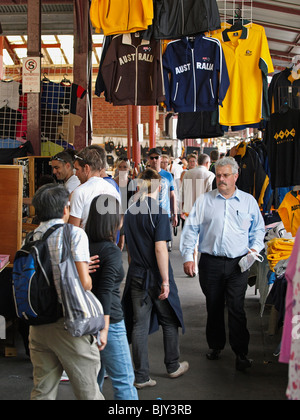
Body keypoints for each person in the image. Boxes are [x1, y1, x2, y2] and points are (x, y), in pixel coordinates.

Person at [180, 157, 265, 371]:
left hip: (239, 264)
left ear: (236, 176)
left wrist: (254, 251)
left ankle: (241, 353)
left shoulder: (248, 202)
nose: (221, 179)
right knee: (214, 306)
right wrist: (188, 256)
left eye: (226, 175)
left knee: (237, 308)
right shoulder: (205, 201)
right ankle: (216, 346)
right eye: (218, 175)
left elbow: (258, 231)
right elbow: (191, 230)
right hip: (211, 263)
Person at [29, 184, 104, 400]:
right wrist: (85, 273)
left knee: (42, 391)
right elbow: (85, 283)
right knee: (88, 392)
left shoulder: (32, 237)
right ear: (64, 209)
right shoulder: (73, 233)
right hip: (69, 325)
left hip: (38, 326)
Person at [122, 169, 188, 389]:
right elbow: (161, 249)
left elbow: (129, 249)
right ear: (159, 187)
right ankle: (173, 366)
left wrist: (135, 271)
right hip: (156, 275)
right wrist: (166, 280)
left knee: (139, 325)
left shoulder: (130, 212)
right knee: (169, 320)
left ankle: (140, 377)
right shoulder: (159, 213)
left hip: (137, 274)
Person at [85, 194, 138, 400]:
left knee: (95, 380)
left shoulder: (83, 247)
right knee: (124, 380)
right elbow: (105, 292)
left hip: (86, 320)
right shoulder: (111, 252)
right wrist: (105, 329)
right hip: (110, 321)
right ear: (113, 220)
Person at [68, 147, 120, 229]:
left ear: (86, 168)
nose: (75, 174)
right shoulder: (113, 190)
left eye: (77, 169)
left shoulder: (80, 192)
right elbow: (119, 224)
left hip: (86, 241)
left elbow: (72, 229)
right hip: (110, 240)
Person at [148, 148, 177, 251]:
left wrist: (175, 214)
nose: (154, 160)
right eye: (152, 158)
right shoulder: (144, 175)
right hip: (148, 214)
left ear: (160, 159)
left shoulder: (168, 175)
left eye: (156, 157)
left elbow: (172, 195)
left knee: (164, 246)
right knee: (150, 245)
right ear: (149, 159)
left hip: (165, 214)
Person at [181, 153, 215, 219]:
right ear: (207, 163)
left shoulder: (187, 173)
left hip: (189, 211)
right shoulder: (210, 175)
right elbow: (211, 195)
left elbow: (183, 192)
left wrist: (182, 208)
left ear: (197, 162)